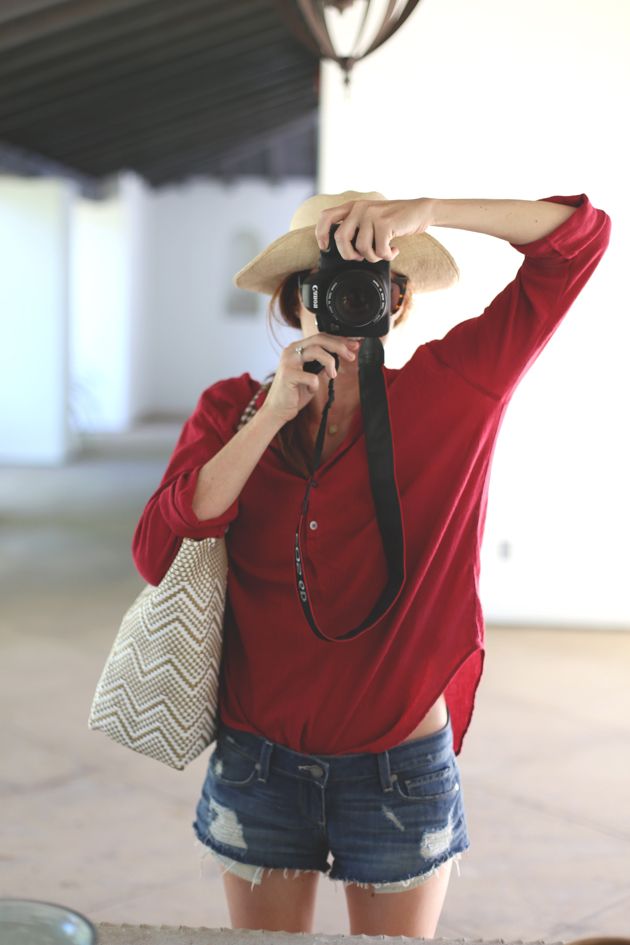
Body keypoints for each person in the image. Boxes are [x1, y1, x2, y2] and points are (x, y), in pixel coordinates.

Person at [131, 189, 611, 937]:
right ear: (295, 300)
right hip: (258, 758)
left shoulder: (453, 390)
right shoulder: (232, 410)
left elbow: (579, 240)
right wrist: (273, 415)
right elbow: (156, 551)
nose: (349, 302)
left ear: (398, 301)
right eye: (327, 284)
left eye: (373, 283)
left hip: (400, 766)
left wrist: (430, 211)